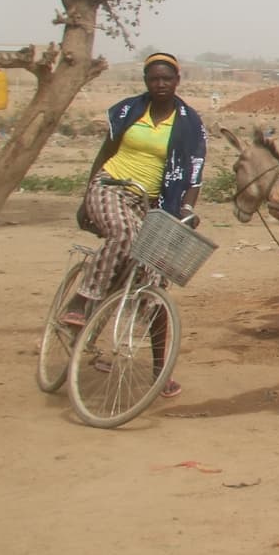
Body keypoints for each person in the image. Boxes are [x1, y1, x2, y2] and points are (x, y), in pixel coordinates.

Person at [64, 54, 208, 397]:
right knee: (125, 234)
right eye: (154, 79)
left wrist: (187, 208)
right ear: (146, 80)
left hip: (154, 203)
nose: (160, 85)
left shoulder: (190, 123)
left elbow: (195, 175)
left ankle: (159, 372)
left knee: (156, 281)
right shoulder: (130, 112)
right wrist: (87, 195)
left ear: (177, 81)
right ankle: (82, 300)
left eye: (166, 79)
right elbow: (105, 153)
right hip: (111, 187)